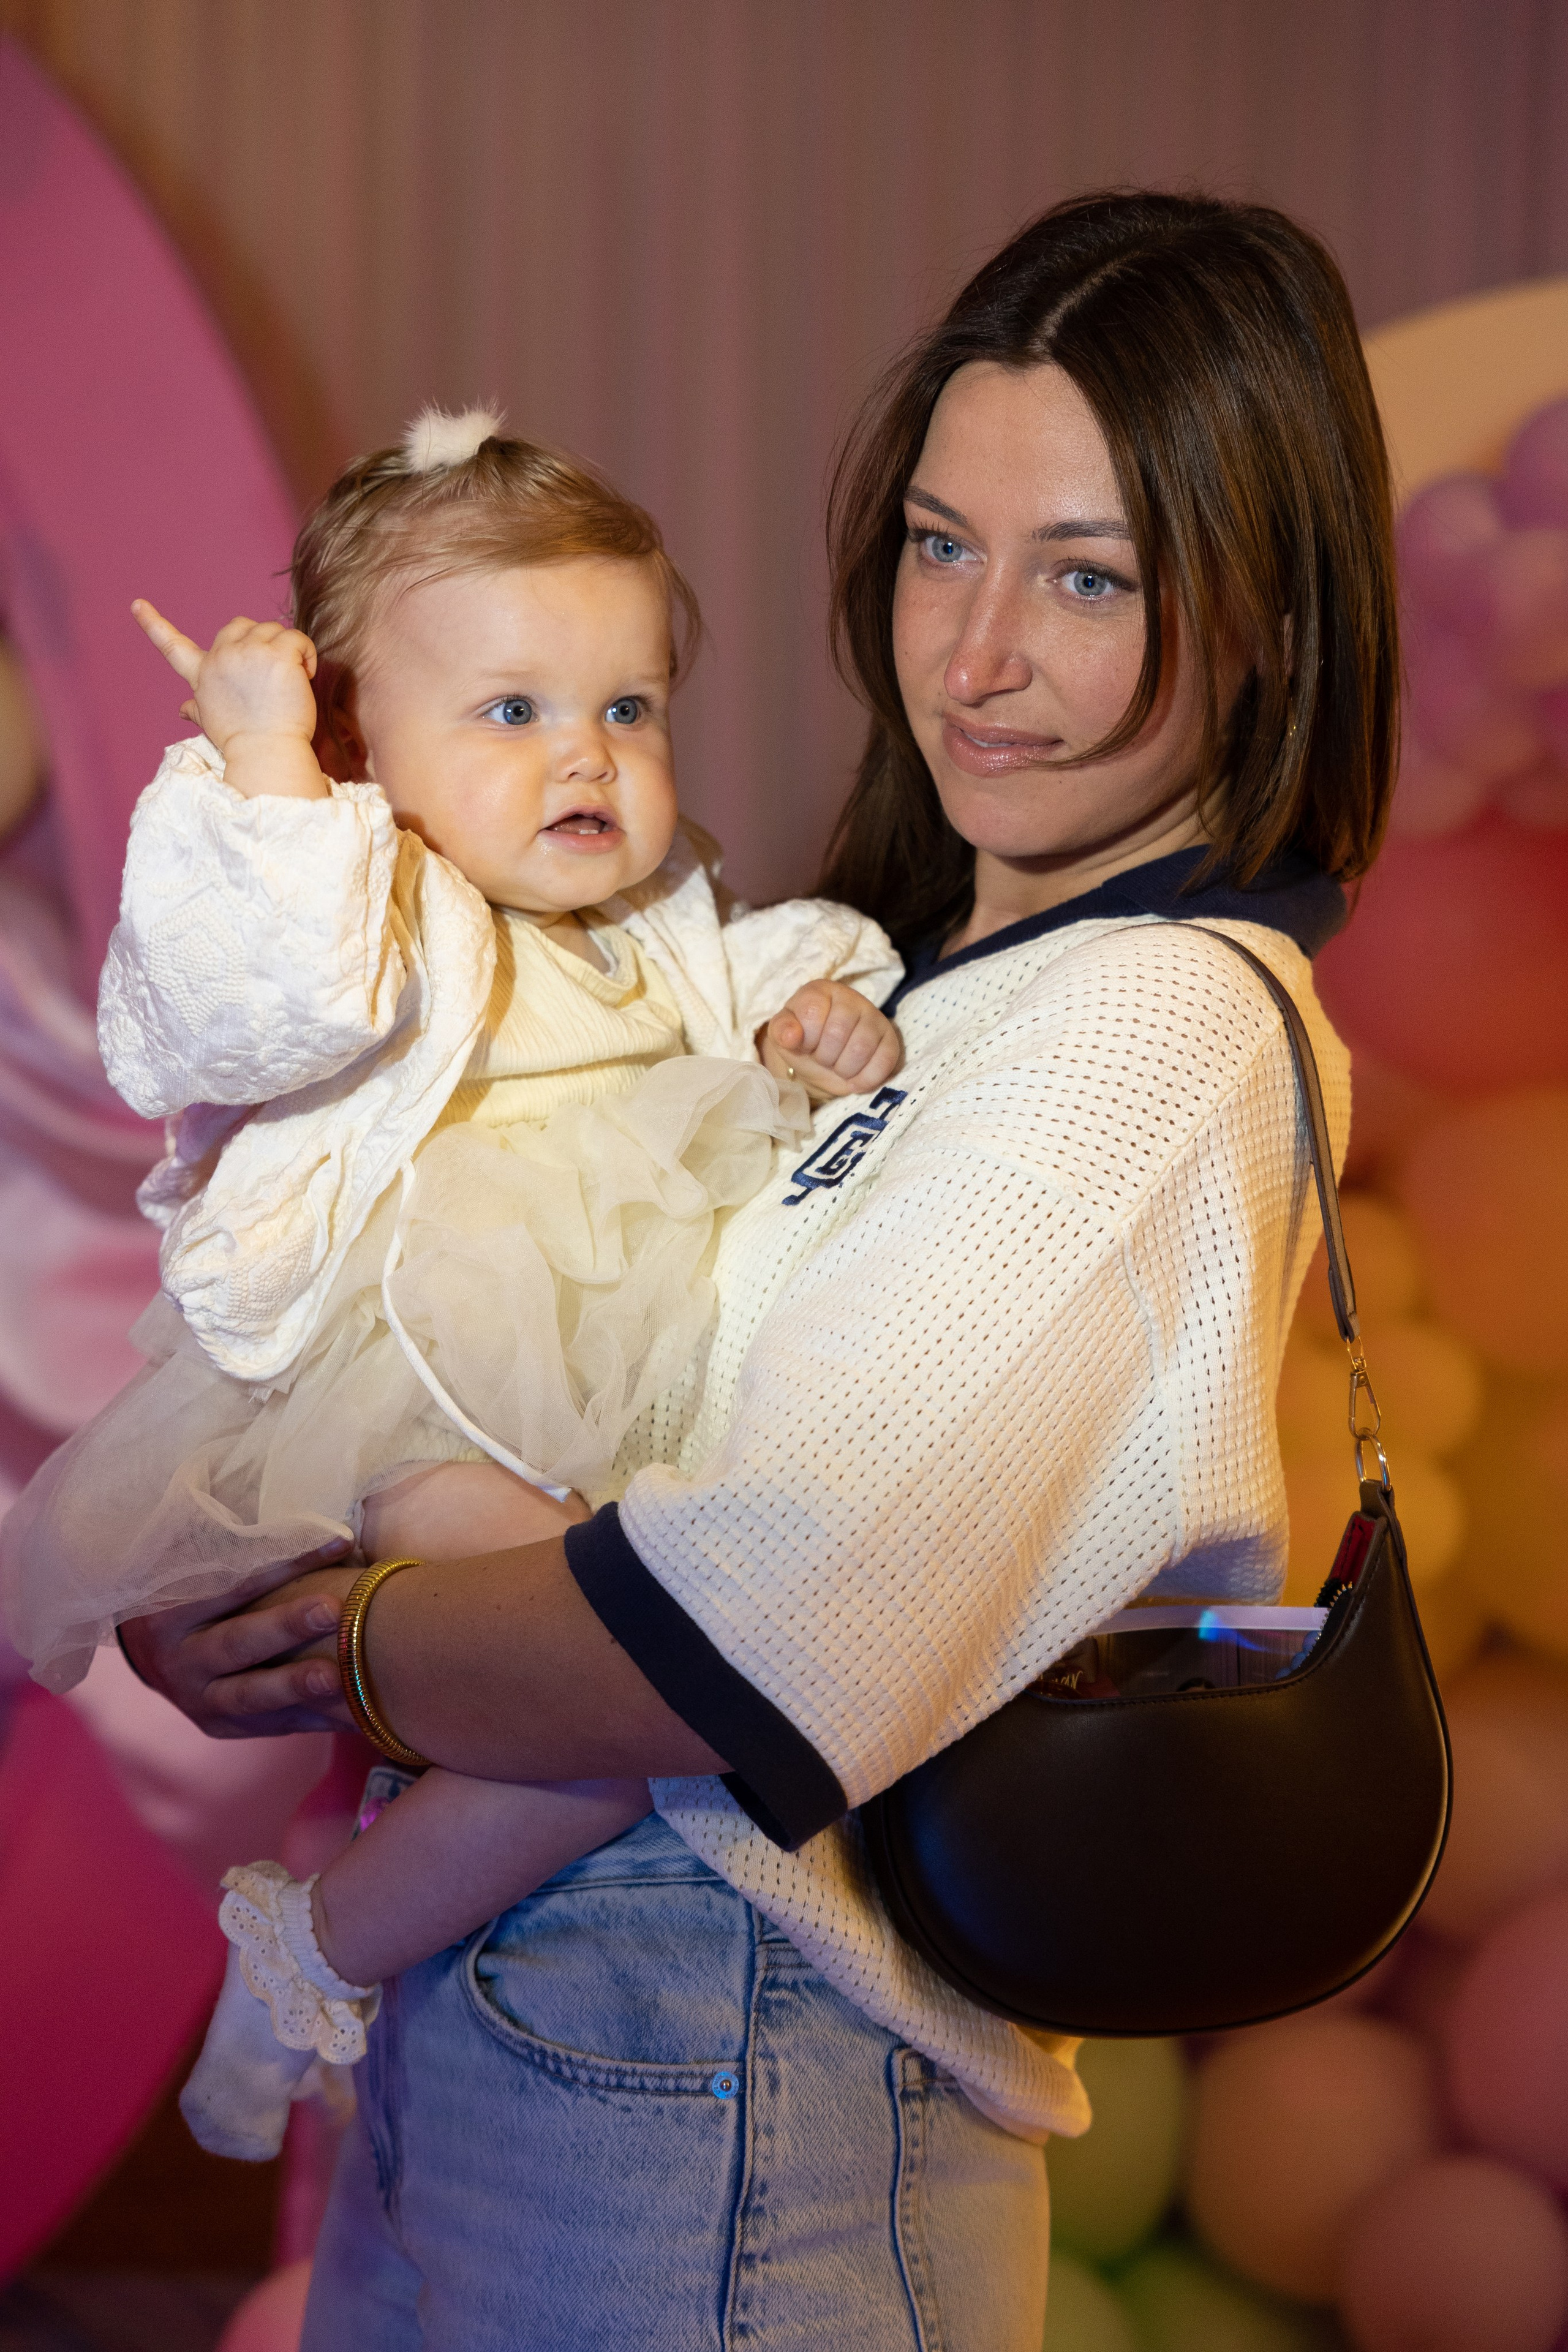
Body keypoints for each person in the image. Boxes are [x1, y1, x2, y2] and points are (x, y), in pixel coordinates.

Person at [118, 190, 1398, 2352]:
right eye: (936, 544)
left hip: (734, 2050)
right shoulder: (917, 983)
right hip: (539, 1995)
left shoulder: (1153, 1025)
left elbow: (709, 1637)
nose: (972, 654)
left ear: (1270, 615)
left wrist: (337, 1647)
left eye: (1087, 576)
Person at [1, 410, 904, 2160]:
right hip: (408, 1375)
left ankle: (315, 1948)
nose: (587, 756)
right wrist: (272, 776)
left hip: (613, 1404)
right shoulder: (370, 898)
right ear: (362, 739)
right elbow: (252, 1001)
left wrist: (822, 1013)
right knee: (632, 1675)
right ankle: (316, 1956)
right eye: (511, 711)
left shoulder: (654, 906)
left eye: (625, 707)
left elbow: (744, 973)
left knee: (619, 1720)